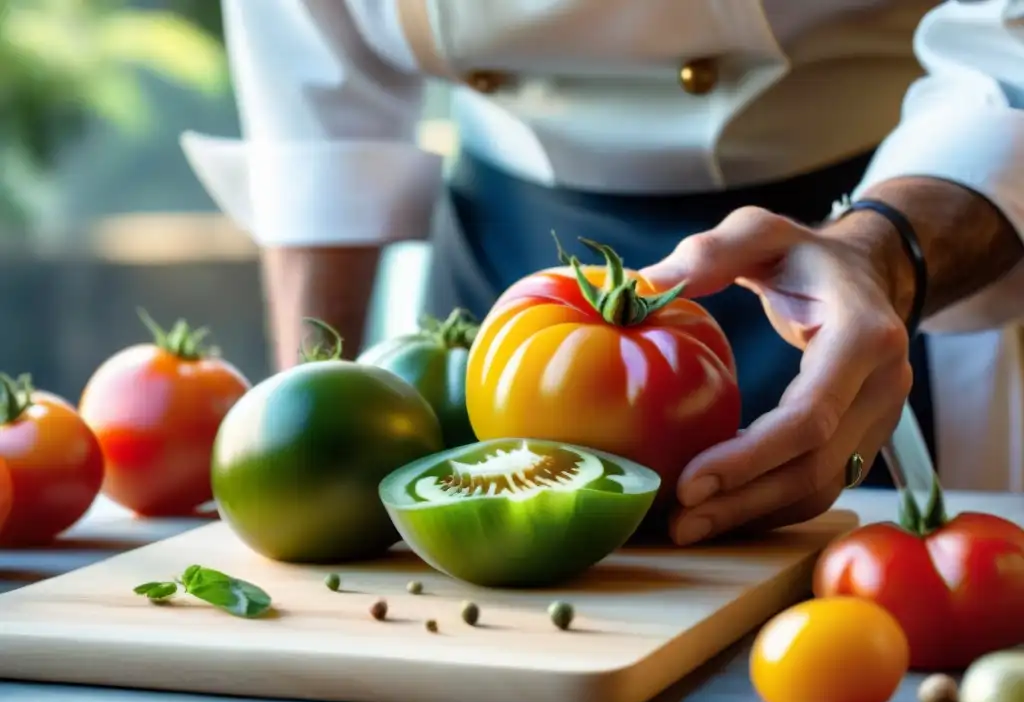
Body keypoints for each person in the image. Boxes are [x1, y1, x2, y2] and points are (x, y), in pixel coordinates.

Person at [182, 0, 1024, 546]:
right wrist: (296, 439)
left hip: (873, 229)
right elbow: (315, 94)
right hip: (491, 271)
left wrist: (881, 253)